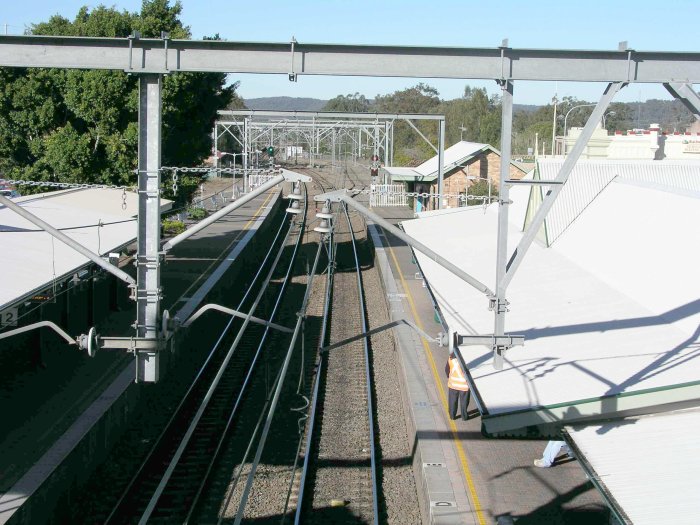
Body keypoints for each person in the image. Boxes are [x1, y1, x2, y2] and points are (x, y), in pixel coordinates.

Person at [445, 353, 470, 420]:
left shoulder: (450, 358)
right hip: (464, 385)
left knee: (452, 401)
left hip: (453, 384)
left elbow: (447, 370)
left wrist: (449, 376)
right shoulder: (466, 359)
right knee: (464, 402)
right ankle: (464, 416)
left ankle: (452, 416)